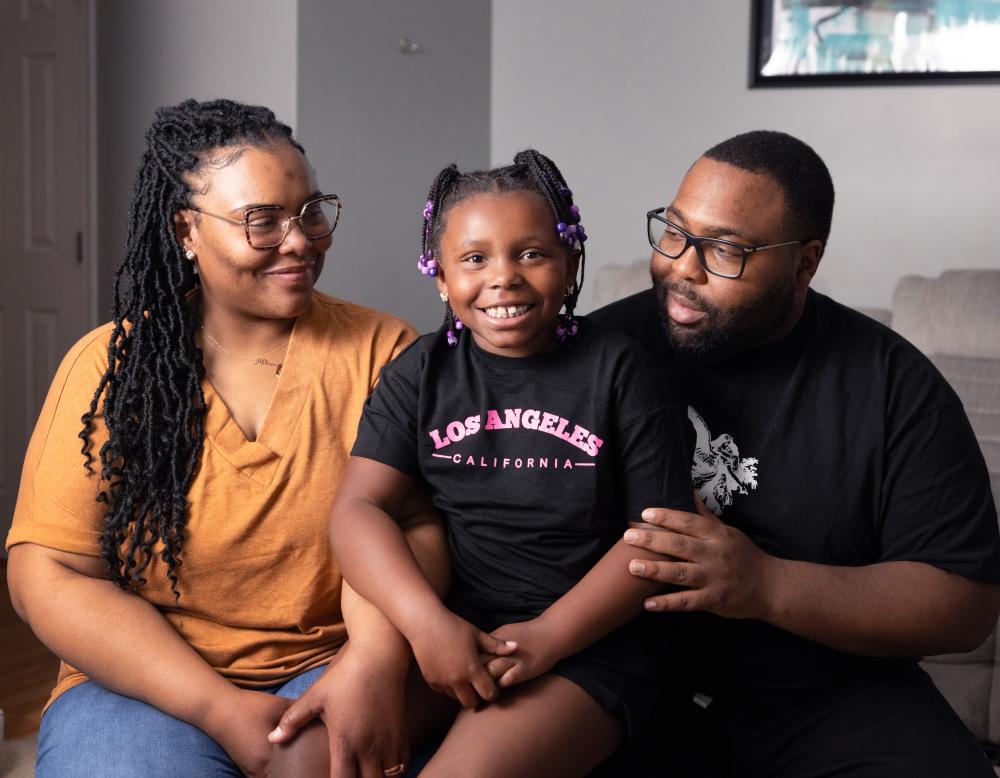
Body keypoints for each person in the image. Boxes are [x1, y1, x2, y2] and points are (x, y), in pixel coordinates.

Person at [5, 98, 457, 778]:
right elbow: (48, 574)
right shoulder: (111, 369)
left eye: (310, 210)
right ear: (186, 230)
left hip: (336, 664)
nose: (300, 239)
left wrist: (374, 658)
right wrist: (216, 707)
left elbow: (418, 526)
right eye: (262, 221)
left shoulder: (382, 349)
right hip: (145, 681)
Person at [591, 129, 1000, 776]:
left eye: (725, 248)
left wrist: (763, 584)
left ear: (804, 264)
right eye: (674, 232)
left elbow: (962, 606)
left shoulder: (891, 383)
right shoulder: (599, 352)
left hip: (827, 695)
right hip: (625, 685)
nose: (684, 268)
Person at [320, 150, 695, 777]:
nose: (504, 278)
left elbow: (661, 542)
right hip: (454, 631)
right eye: (474, 259)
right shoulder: (421, 373)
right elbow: (358, 509)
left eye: (531, 253)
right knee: (306, 760)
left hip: (587, 645)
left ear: (571, 262)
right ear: (440, 277)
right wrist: (426, 626)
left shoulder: (620, 372)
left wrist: (549, 636)